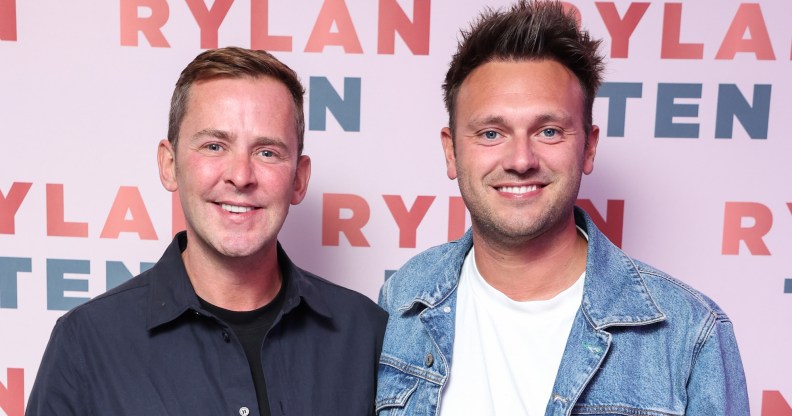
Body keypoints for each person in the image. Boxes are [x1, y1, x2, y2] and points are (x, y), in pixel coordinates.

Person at [375, 1, 749, 415]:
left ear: (588, 147)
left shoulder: (689, 334)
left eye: (549, 131)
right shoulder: (403, 301)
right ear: (451, 151)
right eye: (491, 132)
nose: (520, 160)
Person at [27, 47, 387, 416]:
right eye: (214, 146)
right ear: (170, 165)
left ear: (298, 178)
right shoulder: (86, 344)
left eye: (267, 152)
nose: (241, 176)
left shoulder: (368, 336)